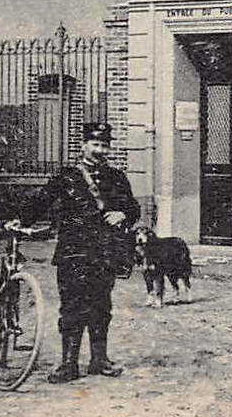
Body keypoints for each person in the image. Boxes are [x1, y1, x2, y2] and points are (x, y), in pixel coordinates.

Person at [13, 121, 140, 382]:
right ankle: (68, 364)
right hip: (74, 252)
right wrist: (20, 219)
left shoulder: (117, 177)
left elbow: (133, 208)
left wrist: (123, 214)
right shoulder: (67, 176)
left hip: (104, 253)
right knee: (71, 306)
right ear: (83, 145)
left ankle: (99, 360)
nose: (100, 150)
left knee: (101, 305)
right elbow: (41, 201)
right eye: (95, 144)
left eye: (105, 145)